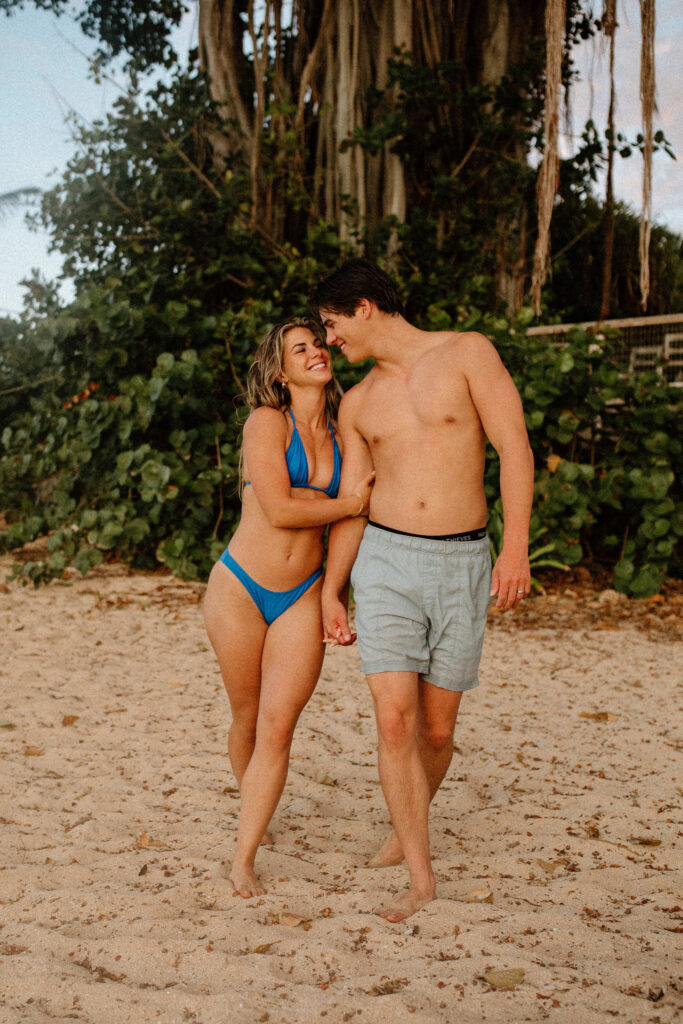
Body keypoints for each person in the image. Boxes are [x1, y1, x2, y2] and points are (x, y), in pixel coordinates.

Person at [312, 259, 534, 922]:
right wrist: (332, 590)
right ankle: (419, 876)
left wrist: (516, 545)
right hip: (384, 562)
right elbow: (354, 505)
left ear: (363, 307)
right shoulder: (356, 404)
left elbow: (513, 445)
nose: (329, 343)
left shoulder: (467, 353)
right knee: (393, 718)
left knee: (436, 730)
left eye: (331, 325)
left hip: (462, 561)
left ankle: (403, 824)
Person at [203, 317, 374, 899]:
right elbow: (277, 509)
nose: (315, 352)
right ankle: (256, 805)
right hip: (239, 587)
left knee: (278, 728)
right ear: (280, 370)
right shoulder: (264, 422)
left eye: (318, 344)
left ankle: (243, 857)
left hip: (302, 592)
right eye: (299, 349)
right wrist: (345, 500)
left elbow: (354, 520)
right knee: (248, 719)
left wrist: (334, 592)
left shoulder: (346, 428)